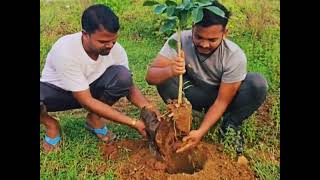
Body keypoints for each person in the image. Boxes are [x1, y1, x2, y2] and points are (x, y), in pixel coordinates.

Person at [145, 1, 268, 154]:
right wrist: (170, 70)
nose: (204, 44)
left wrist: (200, 132)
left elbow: (222, 101)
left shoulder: (234, 56)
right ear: (192, 27)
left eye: (212, 40)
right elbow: (150, 77)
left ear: (225, 33)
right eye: (199, 37)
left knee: (257, 83)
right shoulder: (179, 39)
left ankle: (230, 124)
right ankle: (180, 121)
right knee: (163, 78)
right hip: (194, 92)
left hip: (221, 97)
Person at [40, 4, 158, 152]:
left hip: (91, 90)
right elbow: (86, 101)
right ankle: (51, 125)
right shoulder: (65, 51)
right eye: (103, 42)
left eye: (113, 41)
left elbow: (130, 87)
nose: (110, 45)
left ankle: (94, 119)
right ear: (85, 34)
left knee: (123, 76)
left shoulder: (116, 50)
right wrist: (134, 122)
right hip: (57, 94)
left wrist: (147, 107)